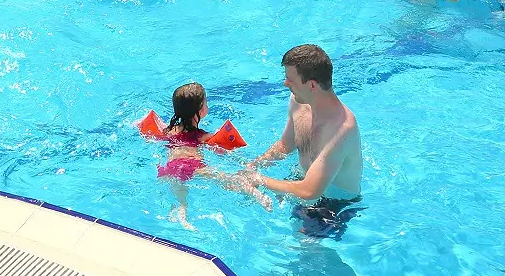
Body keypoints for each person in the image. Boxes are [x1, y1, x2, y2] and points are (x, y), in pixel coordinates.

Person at [245, 45, 362, 236]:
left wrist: (259, 179)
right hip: (301, 181)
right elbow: (286, 145)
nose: (285, 84)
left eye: (290, 80)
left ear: (312, 85)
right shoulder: (298, 101)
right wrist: (254, 165)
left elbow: (309, 191)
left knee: (302, 248)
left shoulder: (342, 128)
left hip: (335, 203)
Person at [153, 82, 272, 229]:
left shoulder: (169, 131)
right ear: (201, 109)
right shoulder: (203, 136)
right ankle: (255, 194)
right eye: (206, 102)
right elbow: (222, 151)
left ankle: (181, 215)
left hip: (170, 167)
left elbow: (153, 137)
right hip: (192, 166)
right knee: (227, 179)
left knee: (181, 197)